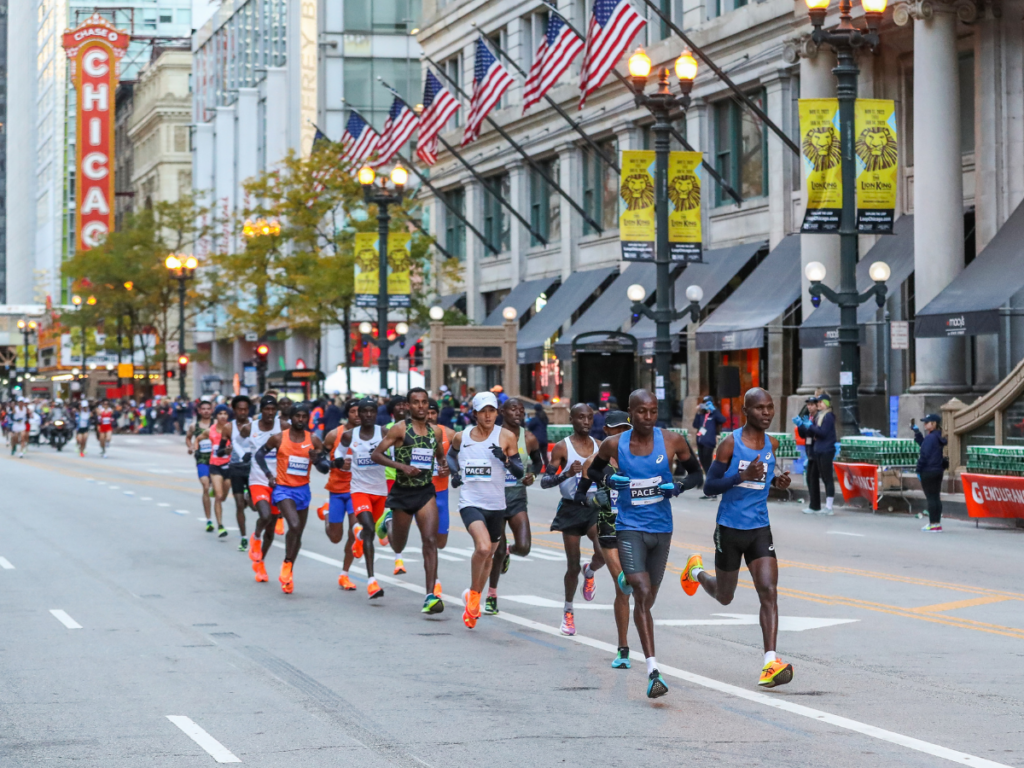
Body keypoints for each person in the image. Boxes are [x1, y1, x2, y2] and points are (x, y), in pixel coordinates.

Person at [585, 389, 703, 698]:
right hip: (629, 527)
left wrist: (677, 485)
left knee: (647, 602)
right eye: (641, 412)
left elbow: (696, 475)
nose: (647, 417)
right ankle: (653, 670)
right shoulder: (615, 444)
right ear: (630, 413)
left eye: (652, 411)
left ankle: (630, 581)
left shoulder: (673, 441)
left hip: (661, 529)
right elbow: (595, 470)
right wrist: (610, 479)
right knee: (642, 589)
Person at [682, 387, 795, 689]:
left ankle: (770, 661)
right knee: (724, 596)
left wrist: (779, 483)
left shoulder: (772, 443)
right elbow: (709, 487)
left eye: (770, 407)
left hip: (759, 528)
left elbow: (766, 481)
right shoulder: (729, 444)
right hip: (729, 529)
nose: (767, 413)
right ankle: (695, 571)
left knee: (769, 590)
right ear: (746, 411)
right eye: (760, 408)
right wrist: (740, 477)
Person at [446, 391, 526, 629]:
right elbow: (452, 455)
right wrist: (455, 474)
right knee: (482, 548)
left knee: (489, 555)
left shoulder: (507, 437)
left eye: (492, 410)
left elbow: (520, 472)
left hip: (496, 505)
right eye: (483, 411)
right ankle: (473, 594)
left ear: (497, 412)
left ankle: (473, 601)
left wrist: (506, 460)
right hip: (471, 502)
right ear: (475, 414)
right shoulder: (462, 437)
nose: (488, 415)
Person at [371, 388, 449, 614]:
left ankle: (430, 596)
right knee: (398, 545)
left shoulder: (435, 432)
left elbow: (440, 456)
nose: (421, 406)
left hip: (425, 491)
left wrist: (443, 466)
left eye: (424, 402)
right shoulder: (400, 429)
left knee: (430, 540)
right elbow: (377, 455)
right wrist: (401, 466)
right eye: (416, 402)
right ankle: (388, 524)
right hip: (402, 492)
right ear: (408, 406)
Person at [574, 410, 633, 668]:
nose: (620, 435)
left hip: (635, 529)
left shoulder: (640, 459)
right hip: (608, 527)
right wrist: (595, 498)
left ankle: (589, 570)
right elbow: (580, 496)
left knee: (615, 574)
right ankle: (623, 649)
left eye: (624, 429)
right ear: (607, 432)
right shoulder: (593, 463)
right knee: (623, 585)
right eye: (615, 430)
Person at [254, 402, 331, 593]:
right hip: (283, 490)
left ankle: (288, 569)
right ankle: (287, 564)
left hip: (303, 490)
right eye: (298, 416)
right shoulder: (279, 438)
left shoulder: (313, 440)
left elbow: (325, 467)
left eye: (305, 416)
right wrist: (269, 475)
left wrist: (316, 460)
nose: (301, 420)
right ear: (292, 418)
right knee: (294, 525)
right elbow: (258, 455)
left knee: (298, 535)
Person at [542, 402, 605, 636]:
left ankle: (590, 572)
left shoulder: (600, 447)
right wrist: (566, 474)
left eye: (589, 417)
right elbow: (545, 481)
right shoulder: (562, 448)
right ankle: (568, 611)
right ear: (572, 419)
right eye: (581, 418)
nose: (586, 422)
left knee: (604, 553)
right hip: (570, 508)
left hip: (593, 507)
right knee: (572, 565)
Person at [485, 398, 541, 615]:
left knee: (524, 547)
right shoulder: (493, 436)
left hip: (517, 498)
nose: (518, 412)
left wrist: (532, 474)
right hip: (495, 499)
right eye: (513, 409)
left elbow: (537, 461)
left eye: (521, 409)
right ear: (502, 411)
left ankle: (510, 551)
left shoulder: (529, 438)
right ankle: (491, 595)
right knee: (495, 552)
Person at [334, 399, 390, 597]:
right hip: (359, 490)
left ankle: (359, 539)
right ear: (358, 414)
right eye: (363, 411)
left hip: (380, 491)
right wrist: (341, 463)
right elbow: (337, 457)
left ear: (375, 414)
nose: (367, 415)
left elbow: (395, 452)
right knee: (367, 527)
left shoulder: (383, 433)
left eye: (371, 411)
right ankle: (372, 581)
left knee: (369, 533)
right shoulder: (349, 435)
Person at [240, 395, 281, 582]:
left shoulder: (284, 427)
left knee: (271, 530)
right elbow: (238, 445)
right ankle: (255, 537)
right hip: (258, 481)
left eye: (274, 409)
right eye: (267, 409)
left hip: (278, 483)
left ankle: (260, 563)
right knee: (264, 516)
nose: (270, 413)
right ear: (261, 410)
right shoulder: (250, 428)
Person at [427, 399, 454, 557]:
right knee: (429, 539)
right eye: (427, 413)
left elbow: (459, 458)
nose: (430, 416)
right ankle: (433, 579)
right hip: (421, 493)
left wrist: (450, 468)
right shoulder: (412, 432)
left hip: (442, 493)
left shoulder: (449, 434)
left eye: (433, 413)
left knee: (441, 543)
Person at [200, 406, 233, 537]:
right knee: (219, 497)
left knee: (223, 497)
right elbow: (198, 439)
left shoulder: (232, 429)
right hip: (215, 466)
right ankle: (220, 525)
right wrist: (195, 448)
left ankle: (217, 490)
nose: (223, 416)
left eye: (225, 413)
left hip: (229, 466)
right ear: (216, 416)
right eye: (220, 413)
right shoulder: (211, 430)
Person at [803, 394, 837, 515]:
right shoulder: (820, 416)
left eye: (821, 402)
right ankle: (821, 506)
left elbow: (822, 433)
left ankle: (829, 506)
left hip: (826, 450)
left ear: (826, 403)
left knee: (827, 478)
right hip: (819, 450)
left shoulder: (828, 416)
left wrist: (811, 426)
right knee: (822, 477)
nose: (819, 404)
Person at [228, 395, 254, 552]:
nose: (242, 412)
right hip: (236, 468)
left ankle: (247, 497)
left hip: (253, 468)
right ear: (234, 410)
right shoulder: (228, 427)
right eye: (239, 409)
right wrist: (225, 450)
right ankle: (244, 538)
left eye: (245, 409)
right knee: (239, 505)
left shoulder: (255, 425)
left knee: (255, 507)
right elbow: (222, 448)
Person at [913, 414, 947, 532]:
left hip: (928, 470)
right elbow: (926, 446)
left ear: (934, 424)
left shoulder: (930, 438)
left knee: (931, 498)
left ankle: (932, 524)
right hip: (938, 470)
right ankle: (937, 524)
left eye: (927, 422)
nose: (925, 424)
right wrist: (917, 433)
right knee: (936, 497)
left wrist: (918, 469)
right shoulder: (937, 436)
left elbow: (924, 454)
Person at [186, 400, 215, 530]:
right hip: (202, 460)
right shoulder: (194, 426)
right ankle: (209, 519)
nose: (206, 411)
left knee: (218, 491)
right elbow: (188, 438)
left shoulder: (218, 425)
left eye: (208, 408)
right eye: (203, 409)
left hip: (217, 461)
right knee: (205, 486)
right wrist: (191, 446)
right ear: (199, 410)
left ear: (212, 410)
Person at [693, 396, 727, 499]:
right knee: (704, 465)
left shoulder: (714, 414)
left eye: (707, 403)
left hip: (709, 442)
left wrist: (714, 410)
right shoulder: (702, 414)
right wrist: (698, 412)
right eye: (704, 403)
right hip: (700, 441)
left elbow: (722, 419)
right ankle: (710, 489)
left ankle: (712, 489)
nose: (706, 404)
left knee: (708, 466)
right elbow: (695, 425)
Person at [793, 396, 819, 514]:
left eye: (812, 405)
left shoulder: (818, 417)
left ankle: (816, 505)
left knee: (813, 477)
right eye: (808, 405)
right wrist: (800, 425)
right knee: (810, 478)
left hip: (817, 450)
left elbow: (816, 433)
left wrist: (808, 427)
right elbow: (804, 435)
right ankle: (813, 504)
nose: (809, 407)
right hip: (810, 449)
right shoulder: (808, 417)